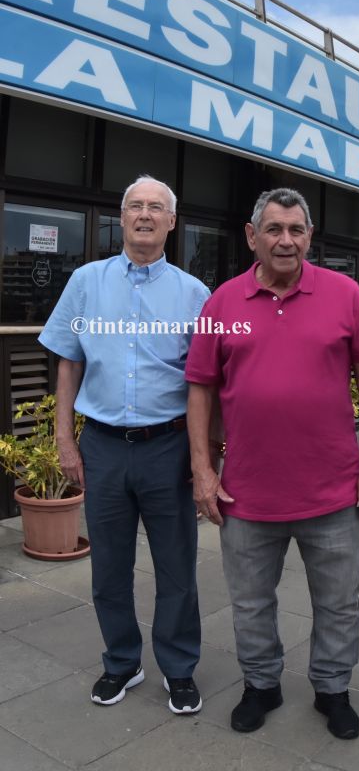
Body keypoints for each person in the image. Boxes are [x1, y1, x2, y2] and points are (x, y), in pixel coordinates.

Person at [185, 187, 359, 741]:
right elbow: (200, 389)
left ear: (309, 237)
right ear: (252, 236)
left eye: (296, 230)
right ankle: (261, 684)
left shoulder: (345, 295)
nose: (286, 240)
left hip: (333, 489)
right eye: (274, 229)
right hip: (247, 493)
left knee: (339, 603)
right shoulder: (220, 303)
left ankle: (332, 689)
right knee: (250, 603)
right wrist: (203, 471)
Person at [39, 175, 209, 714]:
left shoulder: (194, 293)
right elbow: (70, 362)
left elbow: (204, 383)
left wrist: (206, 456)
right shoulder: (87, 282)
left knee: (176, 565)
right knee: (108, 565)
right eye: (135, 205)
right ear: (121, 216)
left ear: (171, 222)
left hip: (168, 446)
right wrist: (65, 440)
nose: (144, 214)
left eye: (156, 207)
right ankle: (122, 662)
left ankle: (179, 668)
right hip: (105, 447)